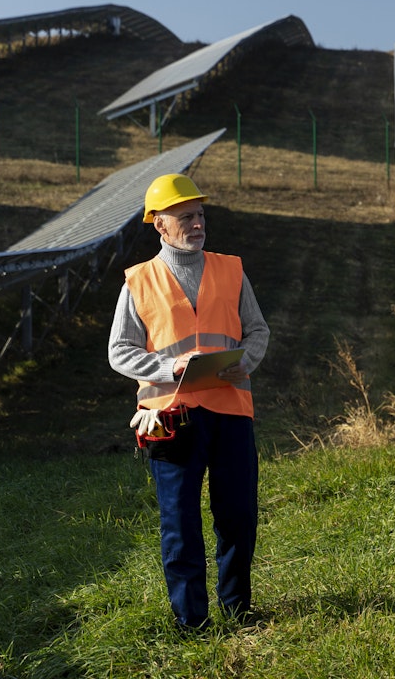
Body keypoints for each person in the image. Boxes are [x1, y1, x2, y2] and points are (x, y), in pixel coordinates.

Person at [107, 173, 271, 632]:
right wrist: (170, 367)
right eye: (185, 217)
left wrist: (247, 362)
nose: (197, 224)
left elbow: (257, 330)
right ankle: (191, 621)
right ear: (159, 224)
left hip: (231, 413)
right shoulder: (139, 281)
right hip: (170, 419)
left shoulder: (231, 269)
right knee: (180, 524)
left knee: (237, 516)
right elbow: (120, 351)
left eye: (200, 215)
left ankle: (238, 610)